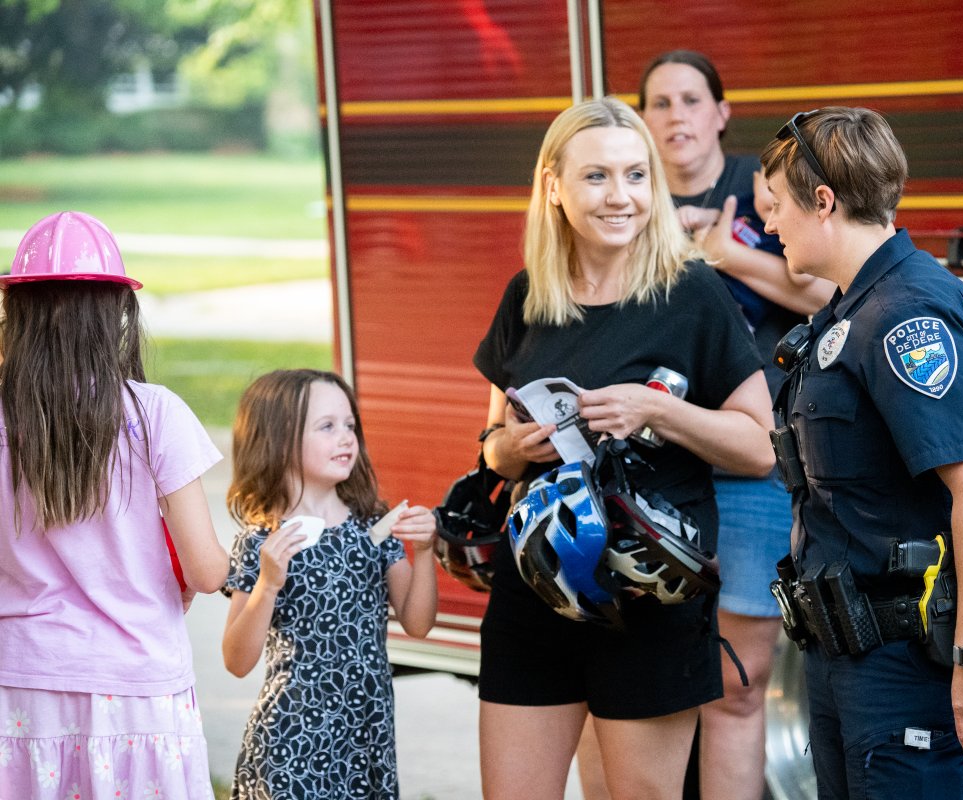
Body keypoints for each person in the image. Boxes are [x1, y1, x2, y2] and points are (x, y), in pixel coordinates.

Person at [473, 96, 776, 800]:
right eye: (598, 177)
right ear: (554, 186)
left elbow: (759, 447)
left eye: (636, 176)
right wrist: (517, 448)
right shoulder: (529, 298)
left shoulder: (692, 293)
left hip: (647, 593)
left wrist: (658, 410)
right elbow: (491, 448)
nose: (622, 197)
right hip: (535, 587)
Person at [760, 106, 963, 799]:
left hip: (903, 666)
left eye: (777, 206)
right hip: (844, 653)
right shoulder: (848, 313)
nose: (769, 224)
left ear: (824, 201)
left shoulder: (905, 316)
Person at [630, 50, 836, 800]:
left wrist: (726, 256)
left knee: (737, 682)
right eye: (660, 103)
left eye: (691, 100)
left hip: (758, 468)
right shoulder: (628, 197)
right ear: (643, 121)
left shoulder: (760, 189)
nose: (676, 116)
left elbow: (829, 290)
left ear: (720, 112)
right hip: (655, 468)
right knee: (642, 677)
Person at [0, 211, 230, 798]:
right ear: (118, 313)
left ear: (16, 310)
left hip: (19, 682)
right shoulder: (156, 414)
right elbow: (206, 572)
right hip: (137, 690)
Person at [221, 369, 438, 799]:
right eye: (327, 426)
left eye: (350, 425)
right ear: (278, 441)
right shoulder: (264, 539)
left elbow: (417, 623)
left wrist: (427, 551)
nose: (346, 438)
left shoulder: (372, 526)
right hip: (291, 742)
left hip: (365, 736)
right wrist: (267, 584)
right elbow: (236, 660)